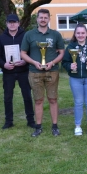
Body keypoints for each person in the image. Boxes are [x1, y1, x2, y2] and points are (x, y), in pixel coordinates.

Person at [20, 9, 65, 137]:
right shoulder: (29, 35)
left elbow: (62, 52)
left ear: (49, 19)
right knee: (38, 100)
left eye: (45, 17)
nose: (43, 20)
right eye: (41, 17)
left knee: (53, 99)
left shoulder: (55, 35)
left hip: (52, 71)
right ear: (37, 19)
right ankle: (38, 126)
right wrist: (34, 62)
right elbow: (23, 53)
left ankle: (55, 126)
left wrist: (53, 63)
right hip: (35, 72)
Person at [0, 14, 35, 129]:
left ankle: (30, 120)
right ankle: (8, 121)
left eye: (14, 22)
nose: (12, 24)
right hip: (8, 72)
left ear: (18, 23)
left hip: (23, 71)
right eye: (10, 22)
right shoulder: (1, 38)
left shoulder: (25, 36)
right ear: (6, 24)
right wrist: (3, 64)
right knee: (7, 97)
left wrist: (25, 61)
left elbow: (31, 51)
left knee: (27, 96)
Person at [62, 24, 87, 136]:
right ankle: (78, 126)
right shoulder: (70, 47)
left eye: (82, 33)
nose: (80, 35)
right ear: (75, 34)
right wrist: (69, 66)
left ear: (86, 33)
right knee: (78, 102)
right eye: (78, 33)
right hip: (75, 79)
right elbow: (64, 62)